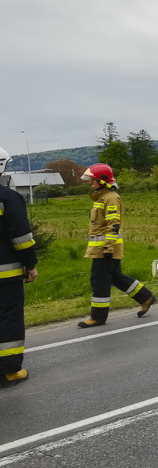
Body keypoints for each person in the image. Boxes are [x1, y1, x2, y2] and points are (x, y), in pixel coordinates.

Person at [78, 164, 156, 328]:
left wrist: (108, 248)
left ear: (103, 181)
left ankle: (98, 317)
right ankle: (146, 298)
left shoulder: (111, 198)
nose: (91, 182)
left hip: (105, 249)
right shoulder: (103, 197)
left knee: (99, 281)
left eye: (93, 179)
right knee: (116, 277)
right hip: (104, 248)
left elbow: (113, 225)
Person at [0, 146, 38, 387]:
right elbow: (21, 237)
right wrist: (30, 264)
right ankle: (10, 369)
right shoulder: (8, 197)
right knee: (8, 317)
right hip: (6, 274)